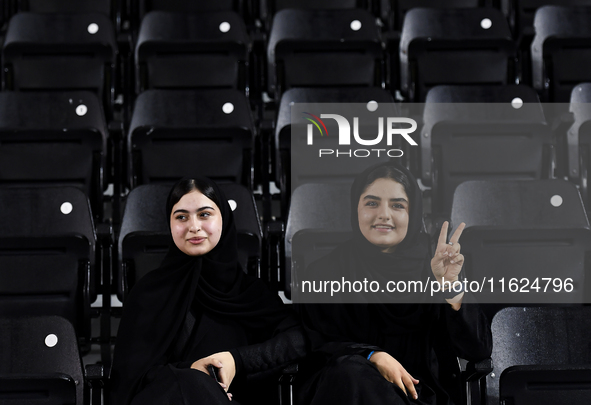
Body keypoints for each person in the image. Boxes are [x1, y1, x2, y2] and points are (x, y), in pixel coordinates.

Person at [295, 162, 492, 405]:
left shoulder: (436, 269)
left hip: (420, 395)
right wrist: (371, 355)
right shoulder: (324, 272)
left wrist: (449, 286)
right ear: (355, 208)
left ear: (414, 213)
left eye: (397, 205)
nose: (383, 214)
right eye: (371, 203)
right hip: (347, 391)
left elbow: (478, 351)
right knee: (350, 373)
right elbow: (316, 347)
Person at [110, 177, 308, 405]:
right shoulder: (147, 293)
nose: (193, 226)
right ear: (170, 224)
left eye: (204, 214)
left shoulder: (252, 293)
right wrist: (195, 375)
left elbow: (298, 340)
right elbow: (131, 379)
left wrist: (237, 360)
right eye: (181, 217)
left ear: (223, 219)